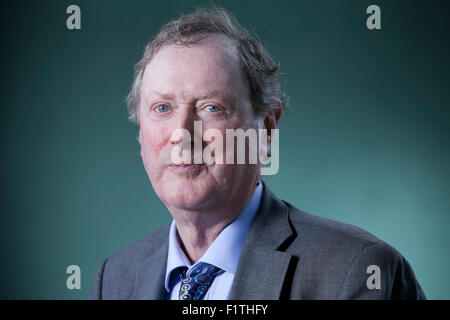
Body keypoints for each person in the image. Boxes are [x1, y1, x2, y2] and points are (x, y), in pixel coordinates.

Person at [90, 6, 426, 300]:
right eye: (162, 108)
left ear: (266, 130)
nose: (182, 134)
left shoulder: (359, 272)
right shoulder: (115, 279)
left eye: (211, 107)